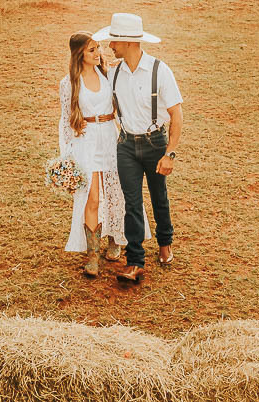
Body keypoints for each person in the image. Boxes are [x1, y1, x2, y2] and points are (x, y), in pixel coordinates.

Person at [92, 13, 182, 283]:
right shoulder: (114, 73)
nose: (111, 47)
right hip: (127, 145)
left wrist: (170, 154)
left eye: (114, 42)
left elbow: (177, 114)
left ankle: (165, 243)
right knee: (132, 202)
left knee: (159, 197)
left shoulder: (159, 70)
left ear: (128, 42)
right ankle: (135, 261)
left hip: (156, 143)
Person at [58, 31, 150, 277]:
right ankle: (92, 255)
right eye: (91, 50)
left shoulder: (108, 74)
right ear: (79, 54)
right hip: (86, 141)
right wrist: (66, 156)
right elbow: (66, 121)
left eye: (97, 48)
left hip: (110, 136)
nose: (98, 53)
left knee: (117, 191)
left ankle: (116, 238)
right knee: (93, 197)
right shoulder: (69, 83)